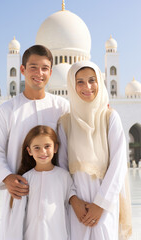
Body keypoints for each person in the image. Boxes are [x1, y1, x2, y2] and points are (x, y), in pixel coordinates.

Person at [0, 45, 69, 239]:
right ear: (23, 70)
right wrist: (7, 178)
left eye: (44, 68)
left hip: (55, 194)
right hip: (19, 191)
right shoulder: (7, 109)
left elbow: (68, 150)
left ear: (51, 72)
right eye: (33, 67)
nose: (39, 73)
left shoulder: (61, 107)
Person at [58, 61, 132, 240]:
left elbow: (118, 163)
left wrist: (101, 204)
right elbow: (61, 167)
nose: (87, 87)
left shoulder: (109, 117)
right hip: (77, 206)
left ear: (100, 81)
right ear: (72, 85)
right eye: (80, 82)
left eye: (92, 80)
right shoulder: (66, 123)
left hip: (105, 203)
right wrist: (74, 200)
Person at [3, 125, 75, 240]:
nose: (43, 151)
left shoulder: (64, 177)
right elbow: (17, 216)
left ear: (55, 148)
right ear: (29, 151)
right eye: (37, 147)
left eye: (47, 146)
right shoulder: (25, 179)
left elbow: (70, 211)